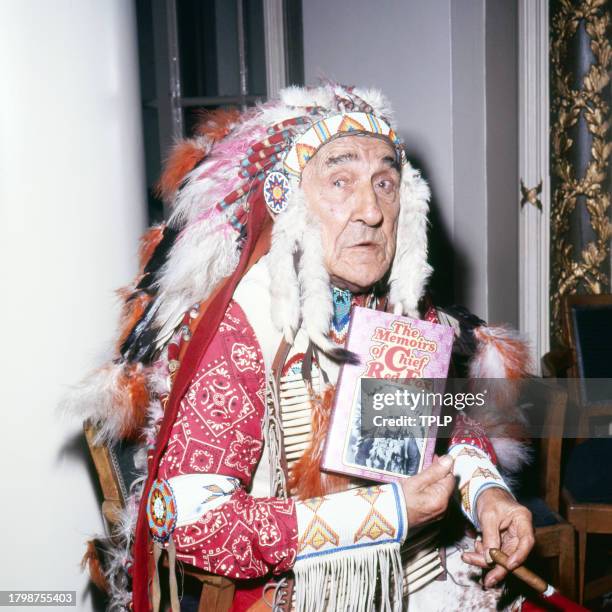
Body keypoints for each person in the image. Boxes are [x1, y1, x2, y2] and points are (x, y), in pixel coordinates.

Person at [73, 83, 534, 611]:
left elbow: (450, 431)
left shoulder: (400, 307)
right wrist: (389, 513)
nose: (371, 210)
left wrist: (488, 495)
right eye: (340, 181)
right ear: (290, 202)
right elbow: (195, 526)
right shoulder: (245, 328)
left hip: (415, 578)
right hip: (296, 594)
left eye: (385, 183)